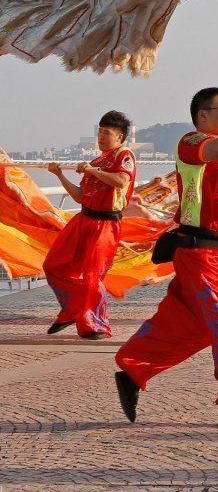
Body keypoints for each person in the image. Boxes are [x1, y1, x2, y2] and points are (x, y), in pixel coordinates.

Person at [114, 88, 218, 429]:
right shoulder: (192, 142)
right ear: (202, 116)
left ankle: (134, 367)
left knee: (193, 324)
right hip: (198, 252)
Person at [43, 111, 135, 340]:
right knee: (54, 264)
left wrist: (93, 171)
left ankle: (96, 325)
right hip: (83, 219)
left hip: (105, 224)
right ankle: (73, 308)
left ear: (120, 136)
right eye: (100, 132)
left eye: (107, 133)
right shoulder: (96, 161)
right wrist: (59, 176)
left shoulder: (124, 156)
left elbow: (121, 180)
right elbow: (80, 196)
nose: (101, 137)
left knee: (93, 276)